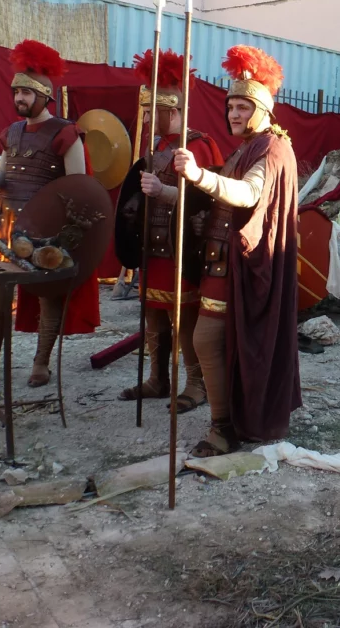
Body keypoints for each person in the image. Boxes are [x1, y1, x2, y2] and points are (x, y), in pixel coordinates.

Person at [173, 45, 301, 456]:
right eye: (231, 106)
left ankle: (223, 428)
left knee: (208, 340)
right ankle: (224, 420)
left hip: (245, 266)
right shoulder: (245, 148)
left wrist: (197, 175)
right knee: (207, 339)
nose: (234, 114)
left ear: (263, 110)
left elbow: (248, 195)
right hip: (220, 262)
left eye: (244, 106)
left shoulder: (271, 148)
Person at [0, 39, 99, 388]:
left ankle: (41, 363)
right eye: (16, 92)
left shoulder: (65, 134)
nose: (19, 99)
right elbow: (6, 180)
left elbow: (79, 186)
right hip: (6, 228)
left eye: (26, 94)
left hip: (46, 230)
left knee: (48, 297)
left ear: (44, 96)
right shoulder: (11, 134)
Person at [116, 48, 223, 411]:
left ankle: (196, 385)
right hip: (153, 246)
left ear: (173, 111)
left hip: (184, 248)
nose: (145, 118)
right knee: (154, 317)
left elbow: (207, 199)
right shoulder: (153, 148)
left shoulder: (198, 146)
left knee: (186, 317)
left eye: (152, 112)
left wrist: (163, 191)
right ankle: (158, 379)